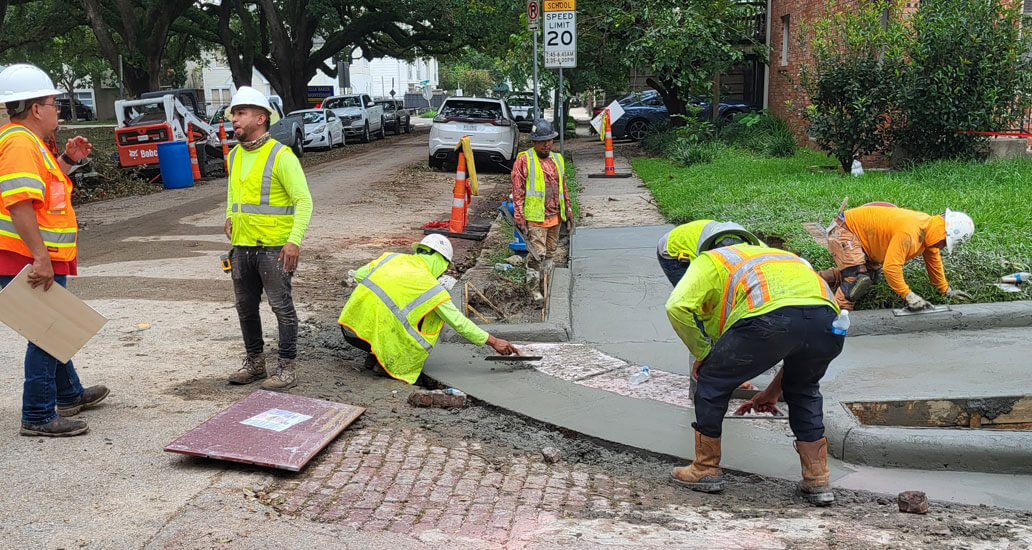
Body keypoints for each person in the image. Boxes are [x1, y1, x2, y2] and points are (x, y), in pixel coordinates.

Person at [666, 241, 843, 505]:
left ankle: (705, 469)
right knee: (804, 389)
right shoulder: (783, 257)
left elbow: (677, 307)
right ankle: (817, 479)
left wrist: (703, 354)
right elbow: (800, 329)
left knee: (712, 380)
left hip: (769, 320)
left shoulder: (709, 260)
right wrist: (772, 392)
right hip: (829, 324)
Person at [0, 63, 108, 437]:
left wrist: (67, 160)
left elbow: (44, 192)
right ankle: (38, 414)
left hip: (32, 255)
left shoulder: (29, 143)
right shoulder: (18, 143)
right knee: (46, 329)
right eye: (54, 103)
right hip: (25, 257)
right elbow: (19, 204)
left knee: (52, 323)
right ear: (35, 109)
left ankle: (69, 393)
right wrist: (40, 257)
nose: (58, 109)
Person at [223, 86, 313, 391]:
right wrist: (229, 215)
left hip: (275, 248)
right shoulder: (234, 155)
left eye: (241, 113)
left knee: (281, 307)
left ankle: (287, 368)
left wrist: (294, 241)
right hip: (243, 246)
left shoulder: (281, 155)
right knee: (245, 307)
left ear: (261, 118)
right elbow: (234, 193)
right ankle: (255, 362)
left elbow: (304, 200)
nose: (234, 119)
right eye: (234, 114)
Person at [338, 235, 519, 384]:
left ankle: (375, 356)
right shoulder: (431, 287)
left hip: (350, 327)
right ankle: (387, 363)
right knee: (414, 319)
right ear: (441, 262)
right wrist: (494, 341)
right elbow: (459, 322)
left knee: (389, 315)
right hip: (372, 334)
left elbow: (360, 275)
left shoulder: (390, 258)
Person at [818, 204, 974, 311]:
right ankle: (834, 316)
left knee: (870, 276)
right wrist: (908, 295)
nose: (943, 247)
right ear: (942, 234)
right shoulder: (910, 232)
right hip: (844, 230)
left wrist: (946, 290)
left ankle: (814, 280)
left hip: (861, 238)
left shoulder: (928, 230)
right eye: (945, 243)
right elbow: (891, 268)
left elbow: (933, 262)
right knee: (856, 278)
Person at [510, 119, 572, 287]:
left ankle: (546, 284)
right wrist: (519, 216)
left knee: (551, 252)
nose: (547, 145)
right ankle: (533, 289)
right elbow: (518, 190)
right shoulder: (524, 160)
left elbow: (563, 186)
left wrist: (568, 208)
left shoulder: (557, 159)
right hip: (536, 217)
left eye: (549, 140)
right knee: (538, 253)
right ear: (534, 142)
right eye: (542, 141)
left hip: (555, 216)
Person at [656, 220, 760, 286]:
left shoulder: (758, 248)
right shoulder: (708, 257)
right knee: (694, 301)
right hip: (671, 249)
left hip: (694, 232)